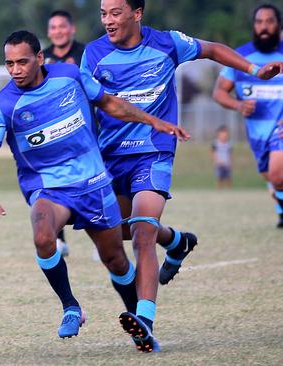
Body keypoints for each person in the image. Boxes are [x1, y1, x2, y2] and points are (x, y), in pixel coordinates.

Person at [81, 0, 283, 352]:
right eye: (103, 13)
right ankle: (176, 241)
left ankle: (143, 319)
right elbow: (86, 103)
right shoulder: (94, 54)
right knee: (120, 233)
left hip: (153, 151)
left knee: (142, 231)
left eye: (115, 12)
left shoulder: (166, 43)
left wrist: (253, 69)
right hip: (110, 158)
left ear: (137, 13)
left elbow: (214, 49)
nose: (108, 20)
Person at [0, 30, 188, 347]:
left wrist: (152, 121)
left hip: (93, 182)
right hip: (49, 187)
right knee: (43, 236)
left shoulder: (71, 75)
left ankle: (142, 326)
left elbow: (109, 103)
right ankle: (70, 306)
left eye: (22, 62)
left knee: (115, 259)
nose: (15, 70)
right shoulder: (3, 106)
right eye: (9, 64)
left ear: (39, 58)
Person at [213, 3, 283, 228]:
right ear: (253, 26)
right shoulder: (241, 57)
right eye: (259, 22)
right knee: (271, 178)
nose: (264, 27)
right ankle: (281, 209)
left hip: (279, 129)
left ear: (278, 25)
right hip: (256, 134)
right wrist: (238, 105)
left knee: (277, 175)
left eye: (270, 22)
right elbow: (219, 92)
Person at [42, 10, 87, 258]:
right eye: (54, 27)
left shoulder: (86, 54)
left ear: (72, 29)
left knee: (95, 181)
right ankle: (58, 239)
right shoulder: (42, 57)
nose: (58, 31)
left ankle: (102, 235)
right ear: (49, 32)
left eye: (63, 26)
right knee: (54, 181)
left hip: (85, 129)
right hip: (53, 132)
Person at [211, 125, 232, 189]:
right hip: (219, 164)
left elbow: (230, 154)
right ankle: (219, 189)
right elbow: (213, 153)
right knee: (219, 178)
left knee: (228, 177)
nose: (224, 136)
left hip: (227, 163)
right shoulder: (216, 143)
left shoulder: (228, 144)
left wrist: (231, 162)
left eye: (226, 134)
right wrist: (216, 160)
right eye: (222, 134)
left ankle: (229, 190)